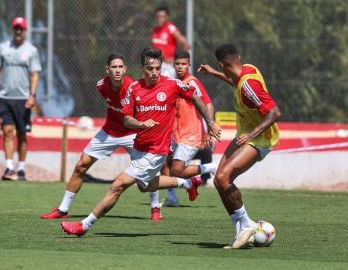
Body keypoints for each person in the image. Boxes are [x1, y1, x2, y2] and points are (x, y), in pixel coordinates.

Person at [60, 48, 221, 237]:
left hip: (156, 151)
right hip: (139, 147)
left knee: (118, 185)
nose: (154, 73)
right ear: (142, 67)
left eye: (158, 68)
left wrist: (210, 123)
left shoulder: (172, 85)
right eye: (150, 68)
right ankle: (188, 183)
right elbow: (126, 119)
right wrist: (141, 123)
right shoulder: (134, 88)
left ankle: (84, 225)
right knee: (146, 185)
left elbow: (196, 98)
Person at [41, 53, 154, 218]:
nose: (117, 70)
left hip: (132, 133)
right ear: (107, 69)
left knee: (147, 174)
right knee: (81, 165)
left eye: (120, 67)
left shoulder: (133, 87)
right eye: (113, 67)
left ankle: (155, 208)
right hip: (108, 132)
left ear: (125, 69)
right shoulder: (101, 86)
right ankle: (62, 210)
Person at [198, 44, 282, 249]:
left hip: (258, 139)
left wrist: (251, 134)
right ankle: (243, 227)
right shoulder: (248, 70)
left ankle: (246, 226)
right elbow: (235, 82)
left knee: (223, 178)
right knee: (220, 181)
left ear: (222, 63)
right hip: (246, 136)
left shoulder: (248, 85)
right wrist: (215, 73)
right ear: (238, 58)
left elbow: (275, 113)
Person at [159, 51, 216, 207]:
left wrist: (210, 128)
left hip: (190, 133)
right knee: (164, 163)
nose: (180, 67)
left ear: (189, 65)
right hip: (175, 133)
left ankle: (210, 168)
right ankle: (172, 197)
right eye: (177, 64)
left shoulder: (192, 82)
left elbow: (208, 104)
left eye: (183, 64)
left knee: (177, 171)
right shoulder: (173, 82)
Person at [0, 17, 41, 181]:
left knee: (22, 134)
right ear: (12, 29)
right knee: (7, 132)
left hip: (23, 99)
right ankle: (8, 168)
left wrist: (32, 96)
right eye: (16, 28)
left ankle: (21, 169)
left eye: (21, 28)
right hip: (5, 97)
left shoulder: (32, 50)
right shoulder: (3, 47)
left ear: (25, 30)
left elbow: (34, 74)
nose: (18, 31)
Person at [151, 6, 190, 78]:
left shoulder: (171, 28)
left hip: (168, 66)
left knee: (165, 87)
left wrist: (177, 59)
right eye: (158, 16)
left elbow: (185, 44)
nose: (160, 19)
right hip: (156, 64)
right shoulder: (154, 30)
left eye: (162, 17)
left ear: (167, 17)